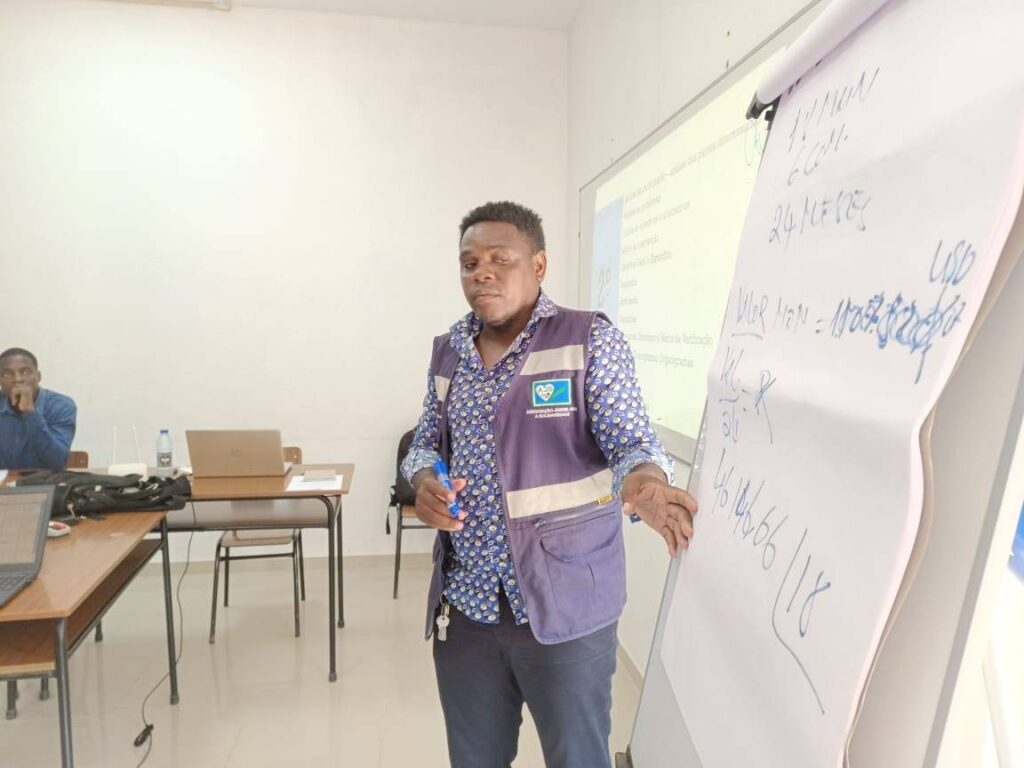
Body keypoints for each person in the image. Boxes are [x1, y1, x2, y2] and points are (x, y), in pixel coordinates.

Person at [402, 201, 697, 768]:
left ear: (538, 265)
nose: (481, 273)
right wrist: (423, 481)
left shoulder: (588, 339)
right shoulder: (448, 350)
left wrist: (646, 482)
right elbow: (424, 444)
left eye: (500, 259)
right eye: (469, 263)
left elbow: (632, 442)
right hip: (466, 610)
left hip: (565, 606)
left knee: (578, 758)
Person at [0, 348, 77, 470]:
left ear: (38, 376)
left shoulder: (61, 406)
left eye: (25, 372)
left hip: (44, 480)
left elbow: (57, 462)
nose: (17, 379)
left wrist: (30, 413)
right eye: (7, 374)